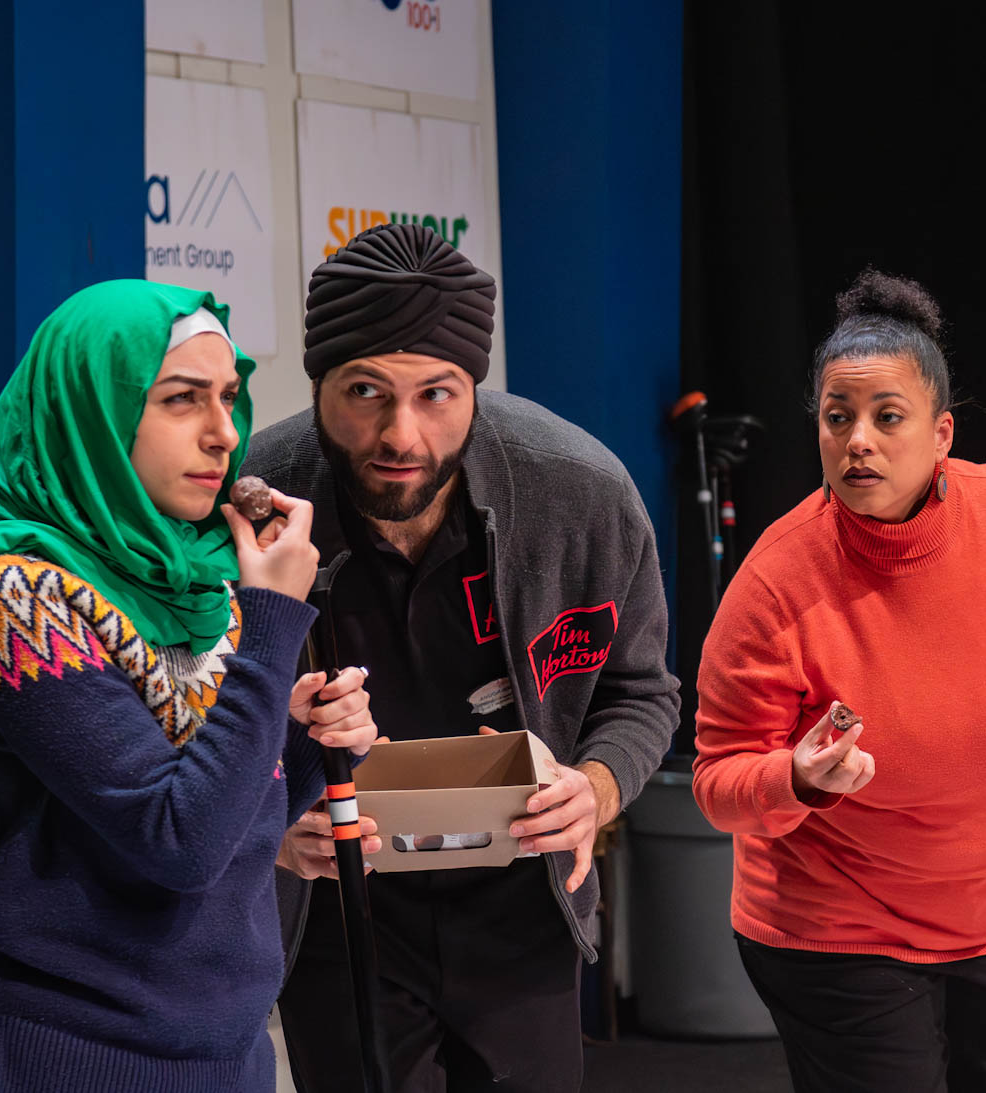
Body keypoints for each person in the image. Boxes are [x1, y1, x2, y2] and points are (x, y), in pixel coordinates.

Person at [0, 281, 380, 1092]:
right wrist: (272, 628)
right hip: (61, 1055)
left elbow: (230, 823)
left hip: (225, 1053)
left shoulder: (203, 587)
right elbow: (181, 842)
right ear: (93, 409)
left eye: (230, 398)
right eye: (181, 400)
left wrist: (301, 741)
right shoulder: (14, 596)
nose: (223, 434)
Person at [692, 270, 986, 1092]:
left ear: (941, 433)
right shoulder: (775, 579)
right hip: (840, 925)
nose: (858, 442)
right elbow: (717, 781)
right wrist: (796, 778)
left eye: (887, 418)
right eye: (837, 419)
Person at [249, 223, 679, 1092]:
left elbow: (642, 694)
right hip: (340, 906)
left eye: (437, 394)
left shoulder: (579, 492)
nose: (401, 433)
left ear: (474, 387)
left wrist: (592, 792)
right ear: (318, 383)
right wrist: (264, 820)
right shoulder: (253, 500)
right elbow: (191, 715)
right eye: (365, 390)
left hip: (521, 893)